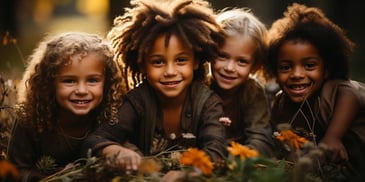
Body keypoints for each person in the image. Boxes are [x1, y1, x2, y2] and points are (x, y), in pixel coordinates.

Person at [82, 0, 227, 173]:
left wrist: (187, 175)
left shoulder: (208, 103)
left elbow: (216, 152)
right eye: (158, 62)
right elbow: (95, 139)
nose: (170, 71)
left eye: (181, 60)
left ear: (196, 61)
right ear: (142, 65)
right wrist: (115, 150)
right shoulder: (139, 100)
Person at [265, 3, 365, 181]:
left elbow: (353, 94)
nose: (297, 74)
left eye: (309, 65)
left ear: (326, 69)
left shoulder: (334, 90)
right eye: (286, 67)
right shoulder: (280, 105)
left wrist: (333, 137)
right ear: (275, 72)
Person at [7, 32, 123, 181]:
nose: (81, 91)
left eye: (92, 80)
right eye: (69, 81)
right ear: (49, 83)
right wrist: (53, 178)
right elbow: (15, 171)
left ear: (106, 83)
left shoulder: (110, 115)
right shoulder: (30, 118)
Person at [207, 8, 273, 156]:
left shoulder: (253, 92)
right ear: (210, 53)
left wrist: (240, 159)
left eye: (242, 61)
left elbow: (261, 137)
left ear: (255, 66)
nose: (230, 68)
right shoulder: (200, 87)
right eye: (222, 56)